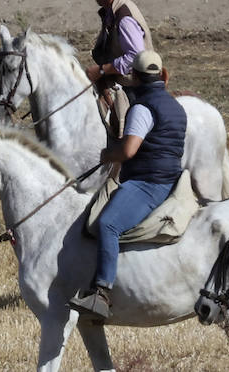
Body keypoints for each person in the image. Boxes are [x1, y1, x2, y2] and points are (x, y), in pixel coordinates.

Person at [69, 49, 185, 322]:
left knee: (108, 223)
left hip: (148, 183)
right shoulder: (176, 106)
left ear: (135, 77)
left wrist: (108, 155)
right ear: (162, 76)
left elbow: (129, 150)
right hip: (171, 179)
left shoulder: (142, 108)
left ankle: (102, 293)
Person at [89, 0, 151, 85]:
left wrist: (102, 70)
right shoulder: (114, 10)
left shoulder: (124, 19)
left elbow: (135, 57)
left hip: (134, 85)